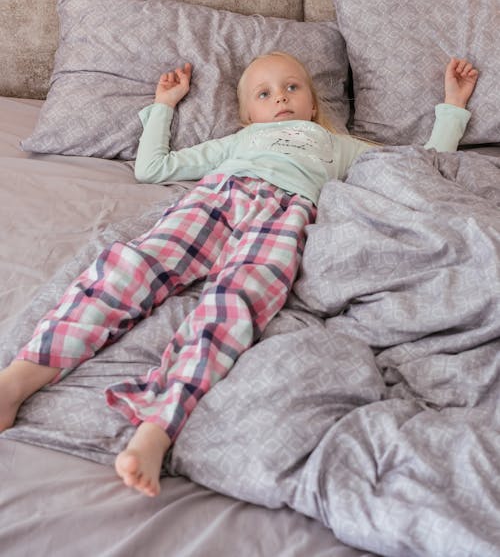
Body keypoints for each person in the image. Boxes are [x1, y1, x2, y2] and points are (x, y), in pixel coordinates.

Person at [0, 51, 478, 497]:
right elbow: (153, 168)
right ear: (248, 115)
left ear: (313, 105)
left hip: (286, 216)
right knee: (132, 267)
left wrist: (451, 108)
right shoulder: (241, 140)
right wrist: (163, 105)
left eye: (292, 87)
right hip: (218, 198)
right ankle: (17, 380)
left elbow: (412, 165)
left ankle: (156, 429)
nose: (281, 98)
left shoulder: (335, 144)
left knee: (234, 306)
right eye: (265, 94)